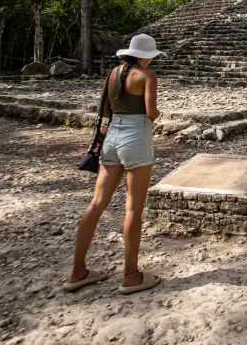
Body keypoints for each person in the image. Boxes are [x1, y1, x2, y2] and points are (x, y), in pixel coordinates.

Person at [63, 33, 164, 295]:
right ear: (145, 56)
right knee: (133, 208)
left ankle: (78, 272)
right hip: (135, 137)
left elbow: (105, 112)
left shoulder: (112, 74)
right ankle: (131, 275)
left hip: (112, 137)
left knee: (96, 203)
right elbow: (151, 113)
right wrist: (158, 112)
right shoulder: (147, 77)